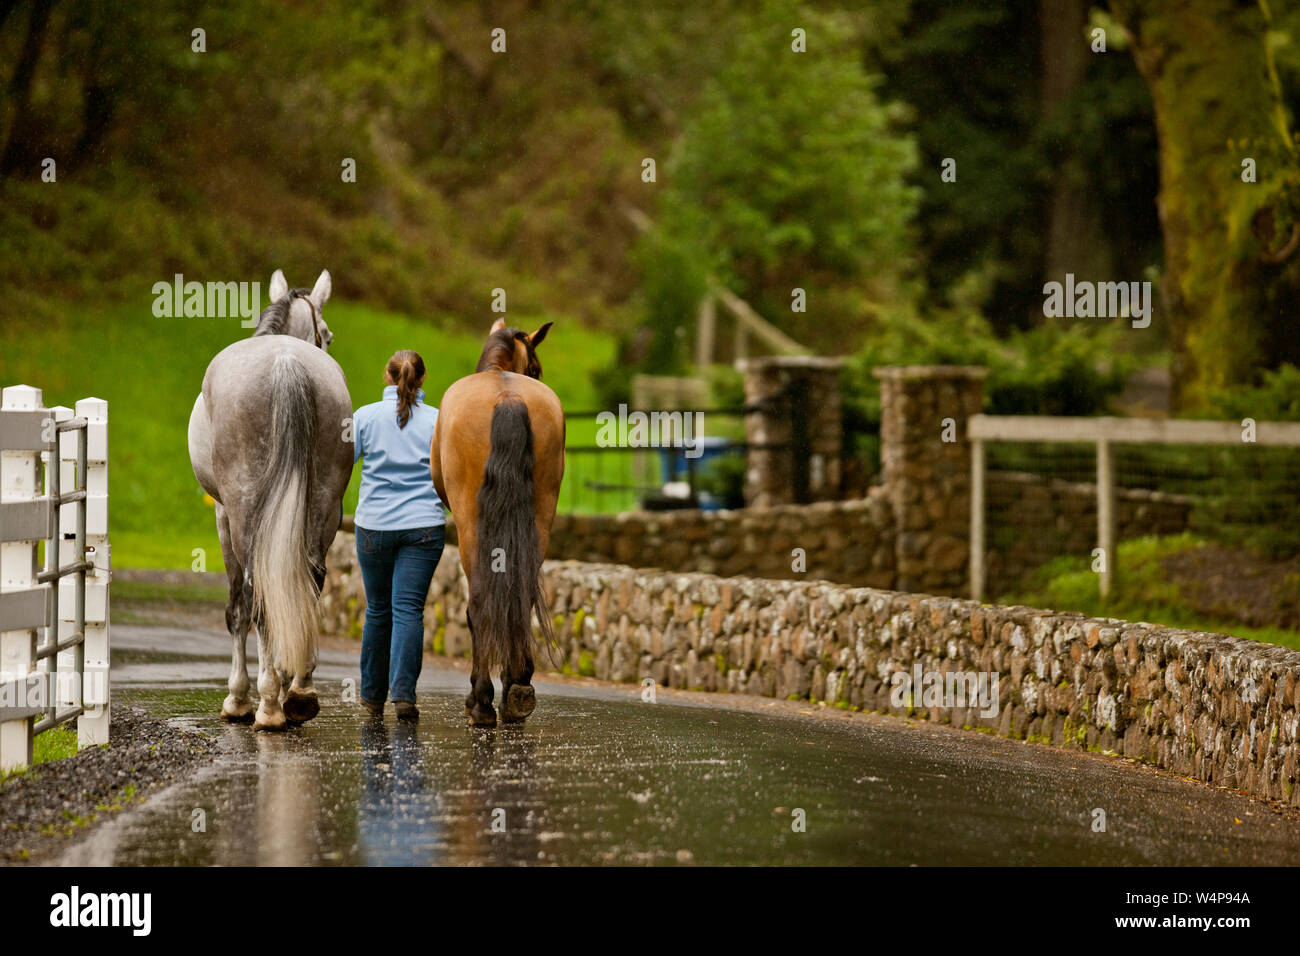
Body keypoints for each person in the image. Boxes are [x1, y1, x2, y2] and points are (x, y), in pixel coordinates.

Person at [352, 350, 445, 720]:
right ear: (422, 379)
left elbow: (343, 464)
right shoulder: (440, 420)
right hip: (423, 528)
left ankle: (371, 699)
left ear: (385, 376)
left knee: (378, 610)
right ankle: (403, 697)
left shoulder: (364, 417)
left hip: (373, 527)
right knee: (408, 609)